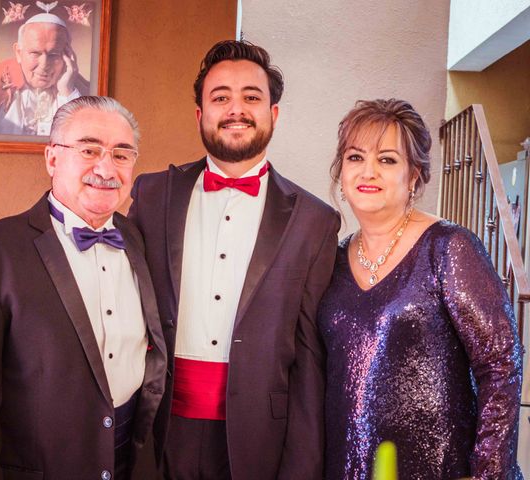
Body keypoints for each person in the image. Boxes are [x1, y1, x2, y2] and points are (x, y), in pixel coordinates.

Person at [128, 40, 340, 479]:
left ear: (273, 114)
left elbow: (309, 358)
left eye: (251, 97)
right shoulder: (151, 196)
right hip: (159, 430)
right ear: (200, 114)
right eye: (220, 97)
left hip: (260, 440)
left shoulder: (315, 221)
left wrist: (303, 466)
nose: (235, 109)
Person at [0, 96, 166, 480]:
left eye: (122, 155)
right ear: (52, 159)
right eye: (90, 149)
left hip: (132, 462)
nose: (106, 167)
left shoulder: (140, 241)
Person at [318, 98, 524, 479]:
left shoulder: (449, 247)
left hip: (439, 466)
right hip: (345, 465)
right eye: (355, 157)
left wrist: (489, 472)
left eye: (387, 160)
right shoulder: (331, 258)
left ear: (413, 175)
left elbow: (501, 365)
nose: (369, 172)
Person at [0, 13, 88, 136]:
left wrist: (67, 91)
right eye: (35, 53)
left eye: (54, 54)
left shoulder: (84, 93)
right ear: (19, 53)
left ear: (68, 55)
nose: (44, 65)